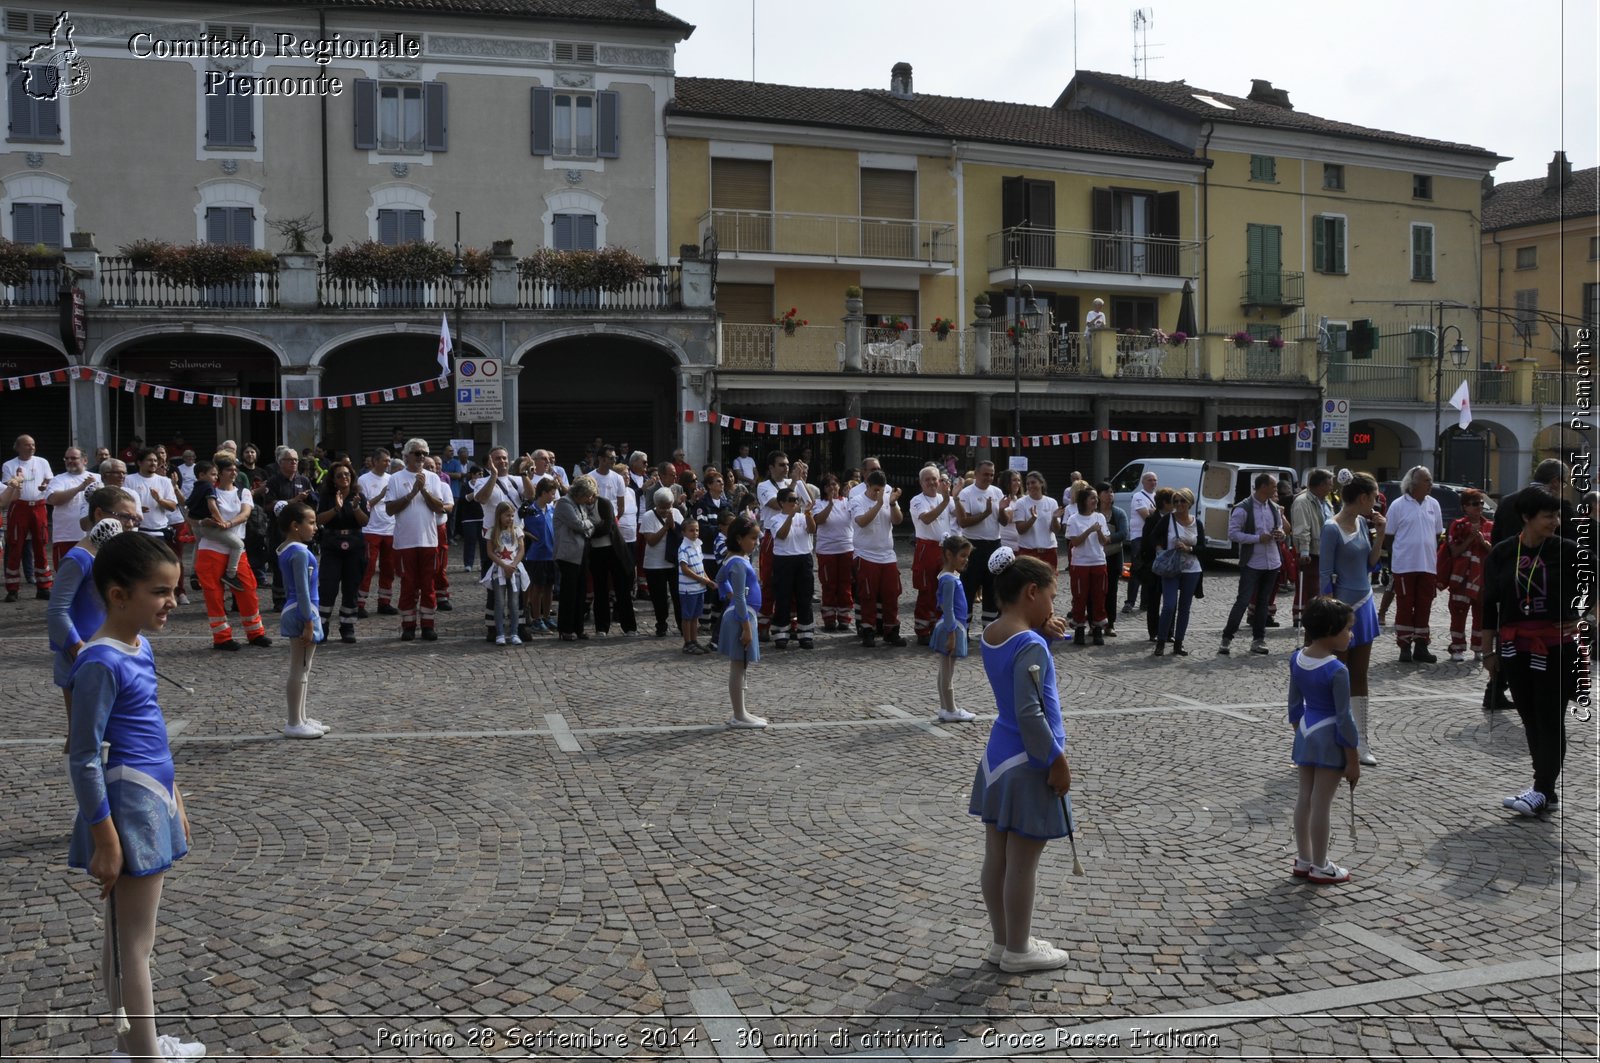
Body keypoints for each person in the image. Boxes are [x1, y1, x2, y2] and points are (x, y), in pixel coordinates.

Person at [66, 531, 205, 1062]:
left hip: (152, 795)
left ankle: (134, 1046)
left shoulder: (138, 644)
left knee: (126, 941)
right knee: (134, 947)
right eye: (160, 591)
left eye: (173, 589)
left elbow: (151, 731)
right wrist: (105, 839)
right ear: (118, 594)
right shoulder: (100, 661)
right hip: (127, 805)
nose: (173, 601)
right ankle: (145, 1056)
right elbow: (82, 757)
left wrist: (177, 798)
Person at [968, 547, 1073, 973]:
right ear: (1031, 592)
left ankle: (1002, 941)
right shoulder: (1029, 643)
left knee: (997, 856)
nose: (1054, 605)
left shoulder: (994, 631)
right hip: (1028, 761)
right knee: (1023, 864)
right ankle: (1018, 949)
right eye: (1051, 596)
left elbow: (1016, 682)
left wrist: (1042, 635)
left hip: (998, 755)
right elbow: (1031, 711)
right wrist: (1055, 759)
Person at [1481, 491, 1585, 818]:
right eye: (1547, 516)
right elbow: (1489, 605)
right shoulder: (1502, 553)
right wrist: (1488, 652)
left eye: (1557, 516)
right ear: (1526, 517)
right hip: (1515, 649)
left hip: (1555, 648)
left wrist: (1584, 615)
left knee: (1549, 719)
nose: (1555, 522)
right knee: (1529, 719)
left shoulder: (1567, 551)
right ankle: (1546, 790)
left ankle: (1541, 790)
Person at [1482, 459, 1574, 712]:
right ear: (1555, 481)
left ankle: (1495, 688)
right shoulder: (1559, 506)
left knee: (1509, 634)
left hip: (1511, 585)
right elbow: (1569, 546)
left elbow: (1497, 540)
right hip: (1547, 589)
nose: (1554, 520)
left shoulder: (1507, 500)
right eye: (1563, 483)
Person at [49, 493, 138, 746]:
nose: (130, 523)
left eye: (133, 517)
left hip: (111, 648)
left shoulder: (108, 554)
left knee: (114, 729)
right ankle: (81, 784)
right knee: (82, 735)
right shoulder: (78, 558)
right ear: (99, 514)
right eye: (124, 516)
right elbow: (57, 611)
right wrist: (78, 649)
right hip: (83, 652)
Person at [1288, 596, 1361, 884]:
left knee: (1304, 798)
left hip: (1306, 731)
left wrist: (1301, 734)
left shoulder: (1296, 657)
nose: (1351, 634)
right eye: (1347, 629)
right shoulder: (1337, 670)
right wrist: (1353, 761)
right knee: (1321, 803)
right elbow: (1345, 719)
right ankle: (1321, 864)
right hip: (1330, 736)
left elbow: (1294, 705)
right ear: (1331, 631)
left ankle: (1304, 858)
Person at [1320, 473, 1385, 766]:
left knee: (1360, 675)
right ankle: (1334, 738)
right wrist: (1330, 617)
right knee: (1338, 675)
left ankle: (1361, 741)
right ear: (1362, 498)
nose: (1376, 502)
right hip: (1341, 610)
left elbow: (1370, 565)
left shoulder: (1361, 523)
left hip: (1365, 605)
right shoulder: (1331, 528)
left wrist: (1381, 534)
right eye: (1374, 497)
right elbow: (1324, 576)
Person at [384, 438, 446, 642]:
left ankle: (428, 625)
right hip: (405, 542)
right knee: (408, 584)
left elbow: (440, 507)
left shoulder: (433, 478)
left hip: (428, 540)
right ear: (407, 455)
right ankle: (408, 625)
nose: (421, 457)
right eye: (417, 453)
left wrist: (424, 490)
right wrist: (412, 493)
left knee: (428, 584)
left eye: (424, 453)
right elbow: (390, 509)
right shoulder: (395, 478)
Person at [276, 500, 329, 738]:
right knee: (300, 669)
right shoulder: (299, 552)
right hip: (302, 611)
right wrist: (308, 621)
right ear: (295, 526)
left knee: (302, 669)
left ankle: (301, 717)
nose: (315, 527)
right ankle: (294, 722)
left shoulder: (287, 548)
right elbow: (303, 590)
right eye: (311, 522)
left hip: (297, 608)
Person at [1219, 472, 1285, 657]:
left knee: (1263, 603)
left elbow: (1280, 528)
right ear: (1263, 487)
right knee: (1243, 601)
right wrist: (1257, 538)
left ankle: (1258, 639)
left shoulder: (1274, 508)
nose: (1275, 489)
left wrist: (1280, 534)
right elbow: (1233, 534)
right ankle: (1227, 638)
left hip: (1272, 562)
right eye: (1273, 486)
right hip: (1252, 563)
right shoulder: (1243, 508)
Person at [1386, 465, 1444, 663]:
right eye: (1426, 480)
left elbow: (1437, 533)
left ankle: (1421, 646)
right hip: (1404, 566)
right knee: (1404, 606)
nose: (1431, 484)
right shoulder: (1397, 505)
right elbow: (1389, 536)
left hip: (1427, 565)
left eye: (1430, 480)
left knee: (1424, 606)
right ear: (1413, 483)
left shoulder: (1433, 504)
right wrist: (1393, 563)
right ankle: (1404, 646)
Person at [716, 515, 766, 728]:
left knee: (741, 666)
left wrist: (730, 596)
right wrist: (745, 626)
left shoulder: (734, 559)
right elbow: (739, 596)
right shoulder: (737, 563)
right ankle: (738, 714)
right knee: (738, 665)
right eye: (753, 539)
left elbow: (719, 580)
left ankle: (742, 711)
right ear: (739, 539)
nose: (756, 543)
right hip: (741, 618)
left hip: (742, 614)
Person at [315, 461, 369, 644]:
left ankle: (347, 627)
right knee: (328, 587)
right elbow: (319, 519)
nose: (344, 478)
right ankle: (322, 626)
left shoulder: (358, 496)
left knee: (351, 587)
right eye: (339, 475)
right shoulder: (327, 496)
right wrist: (336, 509)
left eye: (347, 474)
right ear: (333, 480)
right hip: (332, 545)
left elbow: (364, 522)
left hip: (354, 545)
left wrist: (355, 508)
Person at [850, 470, 905, 647]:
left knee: (891, 594)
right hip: (866, 555)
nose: (878, 494)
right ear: (867, 486)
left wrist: (893, 503)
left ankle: (891, 631)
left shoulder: (888, 499)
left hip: (887, 555)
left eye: (881, 490)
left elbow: (898, 521)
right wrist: (878, 504)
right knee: (867, 596)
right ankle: (868, 631)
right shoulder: (857, 500)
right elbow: (862, 521)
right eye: (875, 490)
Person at [259, 446, 318, 613]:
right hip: (280, 531)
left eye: (296, 460)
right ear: (280, 463)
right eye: (289, 460)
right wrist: (293, 500)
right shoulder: (273, 482)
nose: (293, 462)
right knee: (280, 565)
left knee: (302, 564)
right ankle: (279, 598)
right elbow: (268, 506)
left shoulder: (304, 480)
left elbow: (313, 501)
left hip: (302, 531)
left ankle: (302, 595)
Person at [1442, 488, 1493, 663]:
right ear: (1465, 507)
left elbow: (1496, 552)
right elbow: (1454, 552)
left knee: (1481, 616)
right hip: (1461, 579)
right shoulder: (1458, 525)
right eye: (1474, 504)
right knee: (1458, 614)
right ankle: (1457, 648)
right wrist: (1471, 538)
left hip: (1483, 580)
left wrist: (1483, 543)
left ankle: (1478, 648)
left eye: (1481, 503)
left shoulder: (1490, 525)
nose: (1479, 506)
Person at [764, 485, 816, 650]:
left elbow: (812, 529)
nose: (795, 503)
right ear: (781, 503)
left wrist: (807, 513)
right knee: (783, 598)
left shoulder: (802, 516)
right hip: (784, 560)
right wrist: (790, 517)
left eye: (796, 500)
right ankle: (781, 634)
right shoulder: (775, 519)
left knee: (804, 597)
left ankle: (805, 634)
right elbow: (781, 535)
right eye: (791, 500)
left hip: (803, 558)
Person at [955, 460, 1006, 628]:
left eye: (992, 474)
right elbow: (963, 522)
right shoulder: (966, 493)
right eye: (985, 474)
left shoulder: (997, 492)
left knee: (992, 590)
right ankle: (964, 629)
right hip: (973, 546)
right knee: (968, 589)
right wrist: (985, 513)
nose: (989, 478)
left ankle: (989, 630)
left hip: (994, 545)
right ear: (976, 474)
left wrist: (1003, 511)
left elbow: (1003, 522)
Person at [1154, 487, 1203, 657]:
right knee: (1168, 606)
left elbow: (1204, 548)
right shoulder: (1168, 519)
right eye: (1176, 501)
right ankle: (1160, 641)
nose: (1179, 504)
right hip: (1171, 568)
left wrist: (1189, 548)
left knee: (1185, 608)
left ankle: (1178, 643)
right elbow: (1153, 536)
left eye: (1183, 501)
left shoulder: (1197, 523)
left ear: (1190, 503)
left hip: (1192, 569)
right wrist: (1160, 551)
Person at [931, 534, 975, 723]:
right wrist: (951, 634)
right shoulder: (949, 579)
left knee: (945, 669)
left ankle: (945, 707)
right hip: (953, 627)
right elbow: (947, 607)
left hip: (953, 626)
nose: (966, 560)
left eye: (967, 556)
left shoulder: (948, 576)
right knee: (948, 670)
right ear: (949, 555)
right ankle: (950, 708)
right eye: (963, 556)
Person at [4, 434, 53, 600]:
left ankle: (44, 587)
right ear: (17, 447)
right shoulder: (9, 465)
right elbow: (8, 485)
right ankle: (12, 589)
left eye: (33, 444)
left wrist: (45, 485)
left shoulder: (42, 462)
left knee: (41, 544)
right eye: (27, 445)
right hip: (19, 507)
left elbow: (49, 478)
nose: (31, 447)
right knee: (15, 545)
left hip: (39, 506)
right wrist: (16, 482)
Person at [185, 460, 247, 591]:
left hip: (200, 527)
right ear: (202, 475)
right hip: (210, 528)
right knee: (239, 545)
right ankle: (230, 574)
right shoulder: (208, 487)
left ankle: (194, 573)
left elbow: (187, 507)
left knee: (197, 545)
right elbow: (212, 506)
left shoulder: (196, 487)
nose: (216, 477)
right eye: (213, 474)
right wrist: (222, 522)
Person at [910, 466, 955, 644]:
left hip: (944, 549)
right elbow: (927, 518)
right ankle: (922, 630)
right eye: (927, 479)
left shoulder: (946, 498)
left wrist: (955, 496)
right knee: (926, 590)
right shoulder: (917, 500)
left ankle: (939, 627)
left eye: (934, 479)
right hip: (926, 549)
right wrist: (945, 500)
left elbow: (960, 517)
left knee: (944, 590)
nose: (931, 483)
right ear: (921, 483)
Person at [1062, 483, 1109, 646]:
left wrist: (1099, 531)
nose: (1095, 501)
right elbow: (1074, 542)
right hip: (1080, 563)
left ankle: (1097, 629)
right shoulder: (1074, 519)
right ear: (1084, 501)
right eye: (1092, 498)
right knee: (1080, 596)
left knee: (1099, 596)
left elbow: (1105, 541)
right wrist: (1089, 530)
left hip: (1098, 561)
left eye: (1096, 498)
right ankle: (1079, 629)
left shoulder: (1100, 517)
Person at [552, 477, 597, 641]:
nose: (588, 500)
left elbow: (589, 524)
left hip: (582, 553)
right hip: (568, 554)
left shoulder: (580, 504)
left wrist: (588, 524)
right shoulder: (564, 503)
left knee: (580, 592)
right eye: (586, 496)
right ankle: (565, 628)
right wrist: (589, 524)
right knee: (568, 593)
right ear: (579, 493)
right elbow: (578, 524)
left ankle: (578, 628)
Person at [590, 493, 639, 637]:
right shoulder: (580, 505)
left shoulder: (603, 503)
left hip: (614, 550)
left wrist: (588, 529)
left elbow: (607, 527)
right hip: (595, 552)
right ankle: (601, 627)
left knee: (622, 590)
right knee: (600, 591)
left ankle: (629, 627)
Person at [1290, 470, 1334, 629]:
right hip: (1311, 552)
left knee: (1319, 587)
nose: (1332, 487)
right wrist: (1304, 551)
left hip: (1324, 551)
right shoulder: (1303, 501)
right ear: (1321, 484)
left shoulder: (1326, 502)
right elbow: (1302, 528)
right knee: (1308, 587)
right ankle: (1303, 617)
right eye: (1329, 484)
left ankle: (1315, 616)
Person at [356, 449, 397, 619]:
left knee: (389, 568)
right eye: (385, 461)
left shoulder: (392, 479)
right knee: (368, 567)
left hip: (390, 528)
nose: (388, 464)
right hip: (370, 529)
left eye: (389, 461)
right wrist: (381, 495)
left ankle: (384, 602)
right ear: (375, 461)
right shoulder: (364, 480)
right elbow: (365, 505)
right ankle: (359, 603)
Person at [481, 501, 528, 646]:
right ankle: (500, 633)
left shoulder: (517, 530)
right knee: (499, 602)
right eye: (507, 515)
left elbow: (521, 550)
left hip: (515, 570)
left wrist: (513, 565)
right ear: (499, 515)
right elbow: (490, 552)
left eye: (512, 515)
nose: (510, 518)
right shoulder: (492, 531)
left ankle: (514, 632)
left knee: (514, 603)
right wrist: (503, 565)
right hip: (498, 570)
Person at [812, 474, 854, 633]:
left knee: (845, 584)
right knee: (829, 584)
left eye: (835, 484)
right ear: (824, 489)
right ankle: (829, 618)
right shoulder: (819, 503)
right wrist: (830, 504)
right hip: (827, 550)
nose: (832, 488)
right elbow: (819, 521)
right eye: (828, 485)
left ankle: (844, 618)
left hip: (846, 549)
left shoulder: (848, 502)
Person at [47, 447, 99, 574]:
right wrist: (80, 487)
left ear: (85, 460)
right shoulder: (58, 479)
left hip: (92, 536)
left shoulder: (98, 478)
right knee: (65, 575)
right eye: (67, 458)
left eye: (74, 458)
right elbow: (54, 499)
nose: (69, 461)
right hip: (66, 536)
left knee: (92, 575)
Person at [639, 488, 682, 638]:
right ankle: (661, 624)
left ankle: (682, 625)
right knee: (660, 598)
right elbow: (650, 541)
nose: (665, 510)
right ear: (656, 505)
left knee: (678, 596)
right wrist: (666, 527)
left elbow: (682, 537)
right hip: (655, 564)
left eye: (668, 506)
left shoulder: (676, 513)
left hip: (673, 563)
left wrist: (674, 526)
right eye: (662, 507)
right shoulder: (648, 516)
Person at [521, 477, 558, 634]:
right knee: (537, 588)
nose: (554, 496)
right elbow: (517, 527)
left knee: (550, 587)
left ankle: (547, 615)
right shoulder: (530, 510)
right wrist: (527, 534)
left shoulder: (552, 509)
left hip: (552, 554)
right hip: (536, 556)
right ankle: (536, 619)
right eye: (552, 493)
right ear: (543, 493)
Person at [677, 514, 715, 653]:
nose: (695, 533)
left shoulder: (698, 545)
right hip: (688, 588)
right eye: (691, 530)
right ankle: (687, 643)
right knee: (687, 617)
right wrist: (702, 579)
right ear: (684, 532)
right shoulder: (683, 548)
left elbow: (700, 565)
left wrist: (707, 579)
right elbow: (685, 569)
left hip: (699, 588)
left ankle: (694, 640)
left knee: (695, 616)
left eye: (697, 530)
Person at [1124, 471, 1158, 614]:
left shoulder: (1156, 497)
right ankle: (1130, 602)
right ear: (1143, 482)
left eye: (1155, 480)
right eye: (1150, 480)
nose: (1153, 482)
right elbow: (1147, 516)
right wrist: (1155, 512)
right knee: (1137, 569)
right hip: (1139, 536)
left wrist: (1154, 512)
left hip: (1152, 538)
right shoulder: (1138, 496)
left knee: (1149, 570)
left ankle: (1145, 603)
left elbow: (1158, 515)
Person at [1094, 483, 1126, 635]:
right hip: (1095, 556)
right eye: (1106, 492)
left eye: (1111, 492)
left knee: (1111, 591)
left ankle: (1110, 623)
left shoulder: (1118, 513)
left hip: (1113, 557)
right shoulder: (1093, 513)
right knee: (1094, 592)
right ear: (1098, 495)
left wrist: (1107, 538)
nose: (1109, 494)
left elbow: (1123, 533)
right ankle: (1095, 623)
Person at [1013, 472, 1060, 571]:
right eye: (1027, 484)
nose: (1030, 486)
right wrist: (1032, 519)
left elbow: (1055, 530)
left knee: (1049, 584)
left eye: (1033, 482)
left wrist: (1055, 518)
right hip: (1028, 551)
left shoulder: (1052, 502)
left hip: (1049, 550)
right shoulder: (1021, 503)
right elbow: (1020, 530)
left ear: (1041, 483)